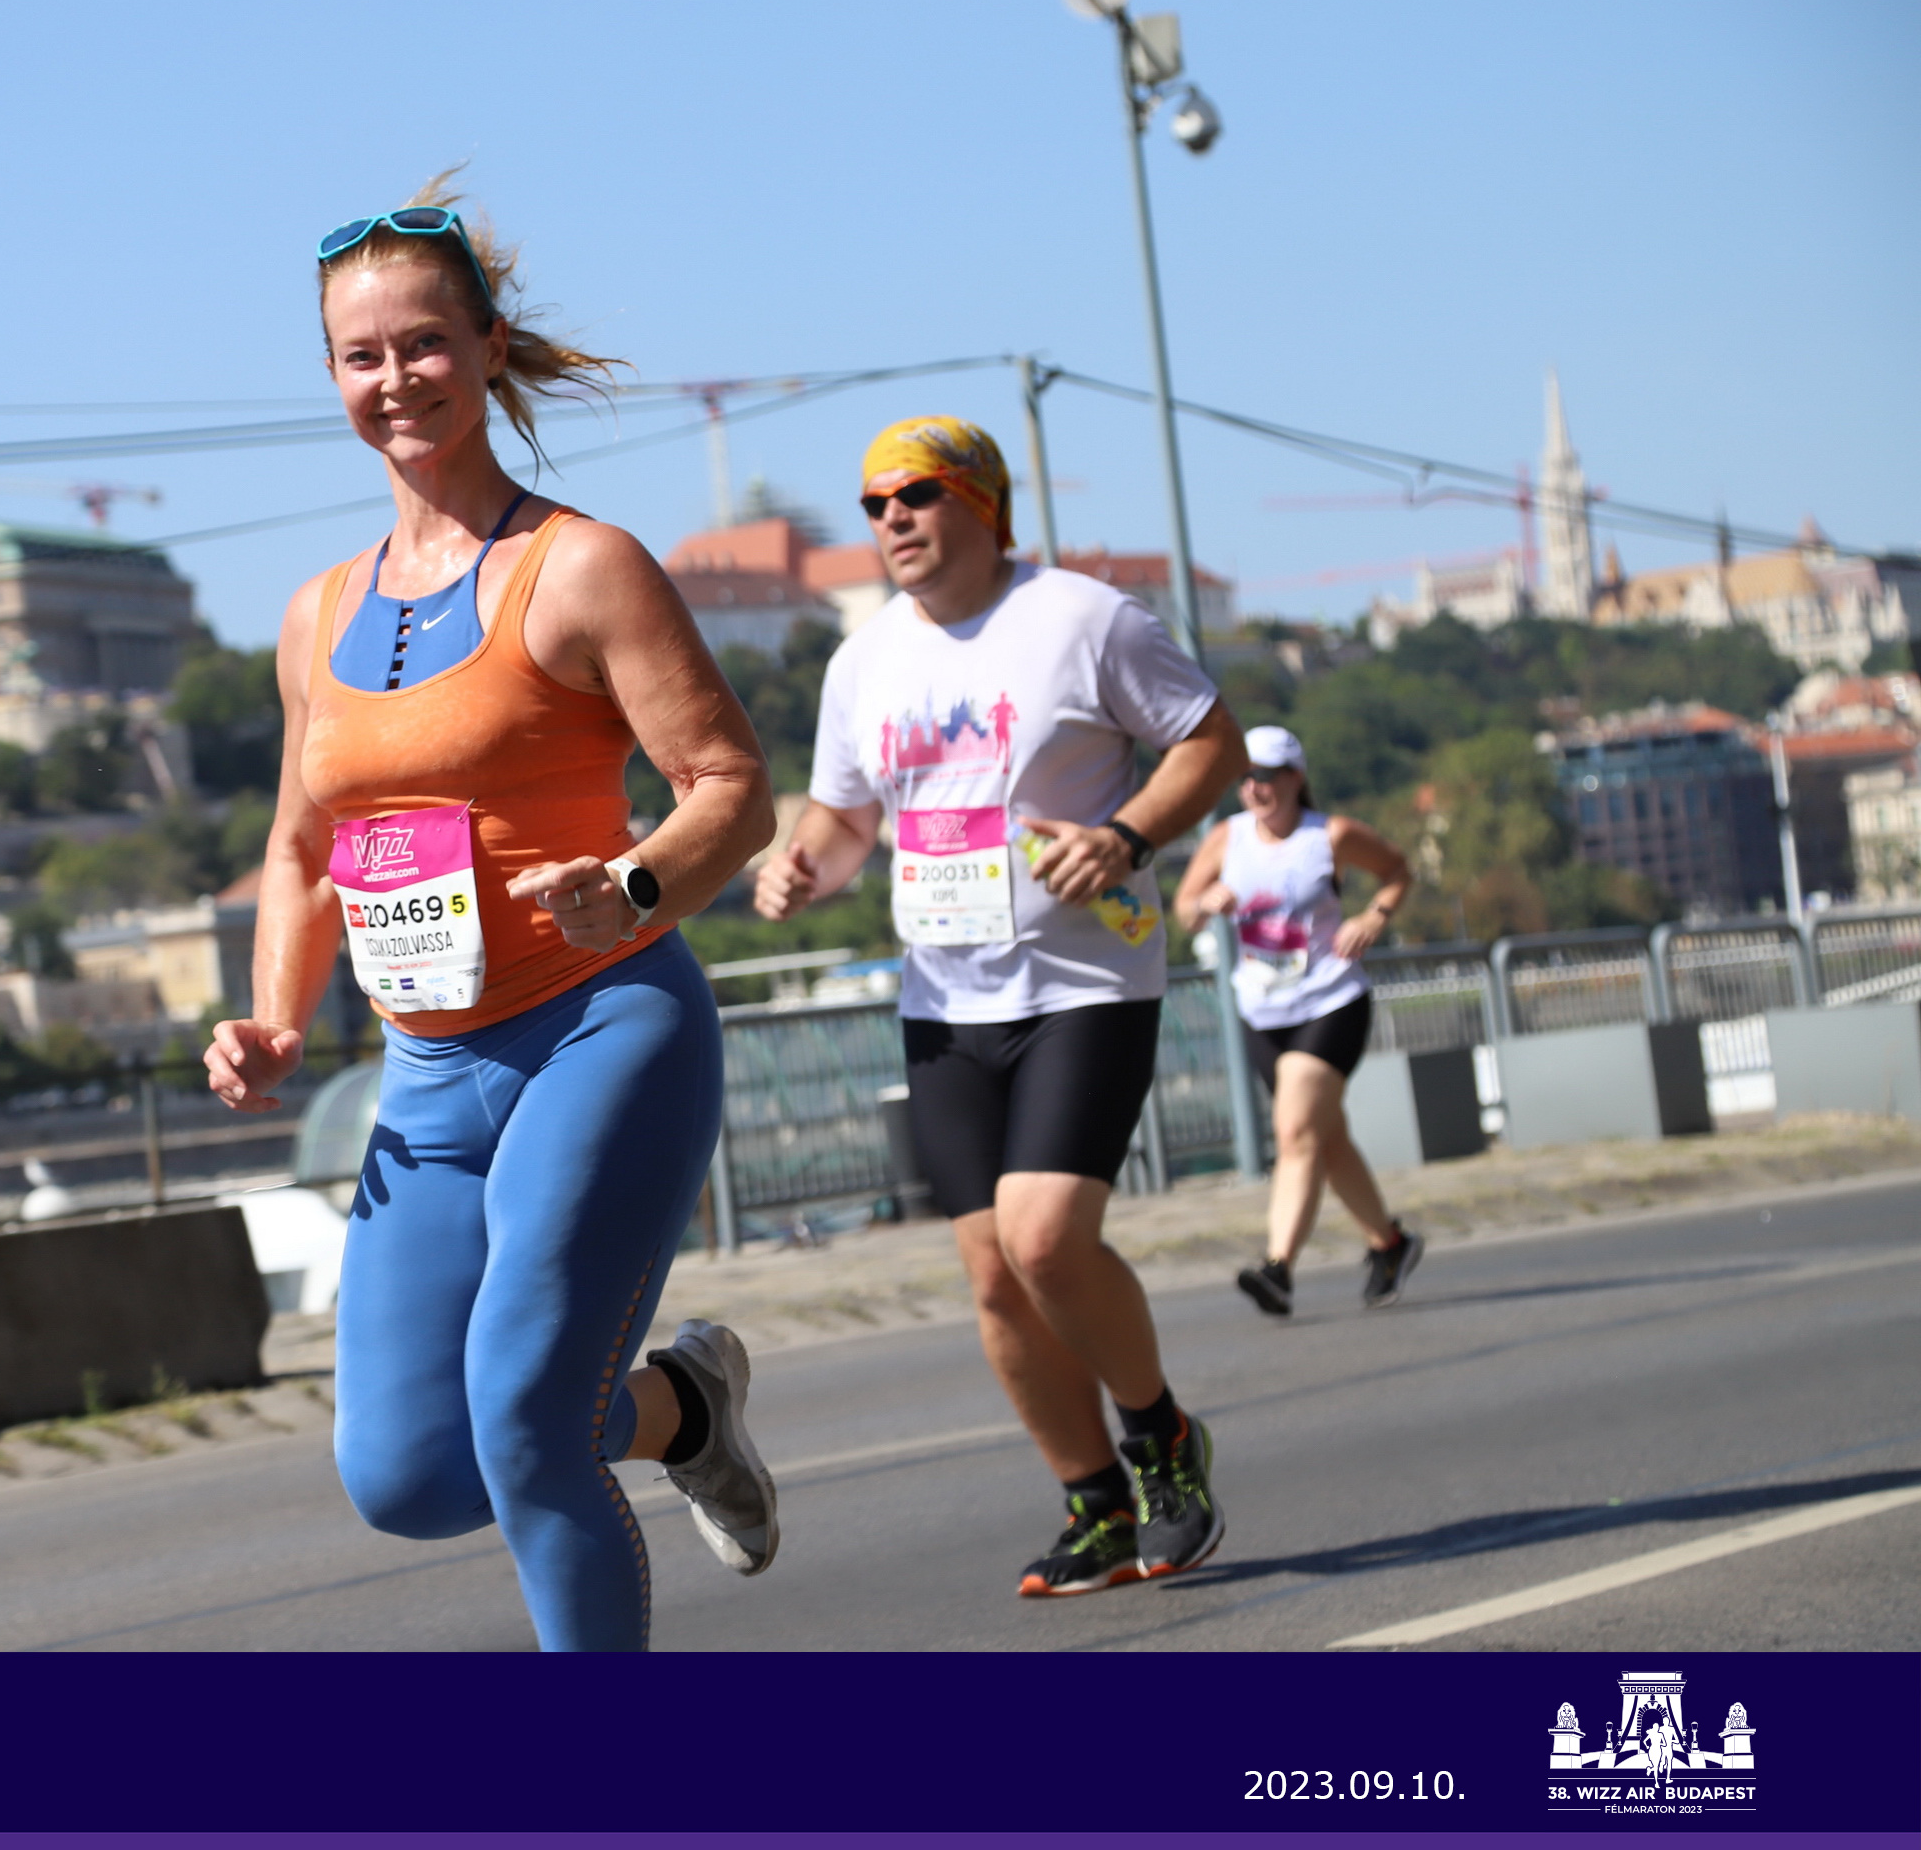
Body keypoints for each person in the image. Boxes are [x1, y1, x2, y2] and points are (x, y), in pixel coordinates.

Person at [204, 184, 784, 1651]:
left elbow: (731, 791)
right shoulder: (313, 614)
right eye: (361, 355)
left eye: (424, 343)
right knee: (407, 1475)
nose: (395, 377)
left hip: (600, 1028)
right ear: (332, 374)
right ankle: (682, 1405)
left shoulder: (581, 566)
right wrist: (274, 1017)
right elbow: (300, 850)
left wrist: (630, 884)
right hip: (426, 1071)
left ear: (487, 349)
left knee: (527, 1419)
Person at [753, 417, 1247, 1599]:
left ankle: (1161, 1436)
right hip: (944, 998)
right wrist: (801, 863)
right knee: (991, 1272)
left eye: (916, 494)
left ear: (981, 502)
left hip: (1084, 980)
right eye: (873, 503)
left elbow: (1210, 744)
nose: (891, 518)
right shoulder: (862, 661)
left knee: (1042, 1238)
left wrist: (1126, 835)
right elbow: (845, 817)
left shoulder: (1081, 619)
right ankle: (1093, 1502)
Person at [1171, 725, 1424, 1316]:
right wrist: (1204, 903)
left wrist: (1373, 916)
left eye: (1265, 776)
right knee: (1323, 1139)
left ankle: (1278, 1266)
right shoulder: (1227, 838)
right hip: (1263, 1010)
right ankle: (1389, 1244)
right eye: (1244, 777)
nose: (1253, 788)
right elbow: (1183, 908)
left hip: (1330, 1000)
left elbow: (1397, 870)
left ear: (1295, 777)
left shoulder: (1330, 835)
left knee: (1292, 1132)